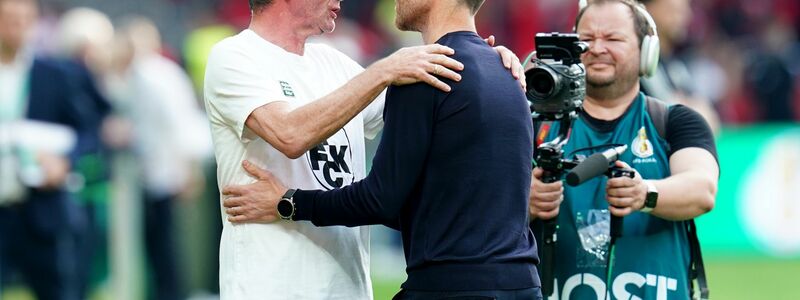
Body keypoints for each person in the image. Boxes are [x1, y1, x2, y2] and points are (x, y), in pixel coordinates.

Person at [218, 0, 542, 299]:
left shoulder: (343, 64)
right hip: (274, 284)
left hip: (353, 286)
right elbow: (289, 134)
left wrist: (480, 65)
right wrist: (388, 70)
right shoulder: (235, 57)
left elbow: (441, 125)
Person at [527, 0, 718, 299]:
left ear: (647, 52)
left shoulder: (675, 122)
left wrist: (646, 194)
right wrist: (524, 205)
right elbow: (480, 215)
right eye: (586, 40)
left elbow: (702, 190)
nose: (597, 48)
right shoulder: (534, 126)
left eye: (613, 38)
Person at [0, 0, 93, 299]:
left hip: (42, 210)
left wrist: (64, 162)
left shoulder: (53, 74)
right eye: (10, 18)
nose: (19, 26)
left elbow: (88, 132)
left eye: (26, 18)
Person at [639, 0, 721, 133]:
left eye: (685, 10)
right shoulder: (640, 65)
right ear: (648, 11)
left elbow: (709, 118)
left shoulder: (676, 67)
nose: (686, 16)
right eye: (674, 10)